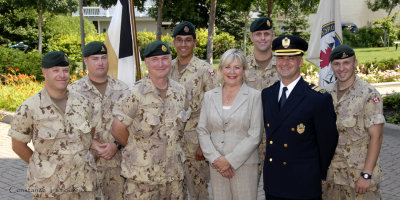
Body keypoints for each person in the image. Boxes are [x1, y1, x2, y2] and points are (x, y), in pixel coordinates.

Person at [9, 51, 97, 199]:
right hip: (50, 188)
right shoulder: (30, 107)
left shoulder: (83, 103)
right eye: (55, 70)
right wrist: (41, 166)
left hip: (83, 185)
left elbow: (91, 133)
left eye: (65, 70)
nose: (62, 75)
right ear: (45, 72)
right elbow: (18, 145)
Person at [261, 35, 339, 200]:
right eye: (281, 57)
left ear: (301, 62)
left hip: (303, 183)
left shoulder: (317, 98)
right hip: (274, 181)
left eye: (292, 58)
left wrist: (314, 172)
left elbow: (328, 143)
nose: (285, 62)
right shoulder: (267, 94)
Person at [111, 41, 191, 200]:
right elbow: (117, 129)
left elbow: (180, 128)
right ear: (146, 62)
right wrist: (137, 149)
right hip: (142, 180)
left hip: (173, 177)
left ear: (170, 60)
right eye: (155, 60)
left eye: (164, 58)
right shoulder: (134, 93)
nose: (160, 64)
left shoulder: (180, 92)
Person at [197, 49, 263, 200]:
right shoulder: (209, 96)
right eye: (227, 67)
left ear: (244, 70)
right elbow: (202, 130)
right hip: (217, 166)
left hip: (244, 165)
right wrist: (216, 159)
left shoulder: (255, 96)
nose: (232, 72)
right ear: (220, 70)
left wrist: (229, 161)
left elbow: (255, 135)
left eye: (237, 67)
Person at [322, 45, 385, 200]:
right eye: (337, 64)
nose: (341, 68)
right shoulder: (325, 94)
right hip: (331, 176)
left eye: (347, 63)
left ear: (355, 63)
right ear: (331, 65)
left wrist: (366, 174)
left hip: (357, 176)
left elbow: (376, 137)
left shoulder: (369, 95)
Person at [69, 41, 129, 200]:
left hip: (118, 163)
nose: (101, 63)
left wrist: (115, 145)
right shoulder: (73, 91)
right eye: (95, 59)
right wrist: (93, 144)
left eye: (103, 57)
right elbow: (69, 128)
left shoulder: (123, 89)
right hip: (87, 163)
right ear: (85, 61)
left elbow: (131, 125)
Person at [170, 21, 219, 200]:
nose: (183, 44)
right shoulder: (166, 68)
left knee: (199, 192)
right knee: (175, 191)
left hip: (194, 143)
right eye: (180, 40)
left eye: (188, 40)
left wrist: (204, 144)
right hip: (171, 143)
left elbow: (215, 107)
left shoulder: (205, 70)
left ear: (195, 43)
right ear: (174, 42)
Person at [247, 18, 281, 198]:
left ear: (273, 36)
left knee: (276, 190)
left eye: (266, 34)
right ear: (251, 37)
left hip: (276, 138)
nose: (262, 38)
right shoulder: (240, 67)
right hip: (246, 139)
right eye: (258, 34)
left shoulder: (283, 66)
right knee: (246, 192)